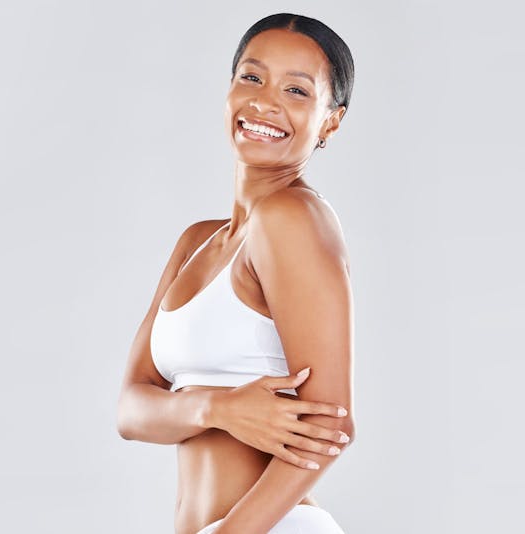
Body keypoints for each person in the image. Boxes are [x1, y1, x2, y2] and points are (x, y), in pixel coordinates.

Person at [117, 12, 356, 534]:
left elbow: (331, 422)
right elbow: (131, 411)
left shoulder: (292, 218)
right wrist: (218, 409)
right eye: (252, 77)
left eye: (297, 90)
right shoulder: (195, 241)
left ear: (330, 121)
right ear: (229, 88)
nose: (266, 102)